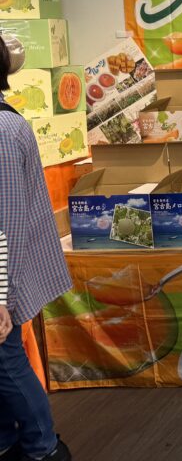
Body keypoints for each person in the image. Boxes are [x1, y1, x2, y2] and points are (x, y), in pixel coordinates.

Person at [0, 34, 72, 461]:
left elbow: (7, 221)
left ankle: (43, 448)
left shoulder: (2, 131)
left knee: (6, 364)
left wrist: (1, 297)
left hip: (2, 274)